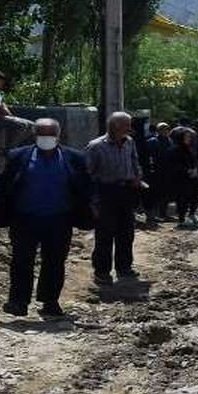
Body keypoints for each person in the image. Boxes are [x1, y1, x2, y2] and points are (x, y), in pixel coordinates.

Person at [0, 119, 93, 318]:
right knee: (21, 260)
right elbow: (2, 184)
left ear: (58, 135)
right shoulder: (19, 156)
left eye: (50, 134)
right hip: (24, 218)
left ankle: (50, 302)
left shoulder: (74, 158)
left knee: (54, 261)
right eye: (42, 134)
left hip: (59, 219)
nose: (47, 138)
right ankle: (18, 302)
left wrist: (93, 207)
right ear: (35, 136)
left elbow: (86, 186)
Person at [86, 112, 143, 285]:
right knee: (105, 234)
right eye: (126, 125)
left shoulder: (129, 143)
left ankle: (124, 267)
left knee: (126, 232)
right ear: (115, 126)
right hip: (106, 193)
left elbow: (135, 162)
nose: (129, 129)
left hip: (126, 192)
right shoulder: (95, 147)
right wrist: (92, 201)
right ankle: (102, 271)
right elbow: (87, 174)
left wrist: (137, 176)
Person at [167, 127, 198, 229]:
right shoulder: (174, 150)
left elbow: (194, 161)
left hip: (192, 178)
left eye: (190, 137)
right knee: (182, 199)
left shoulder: (189, 149)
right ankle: (181, 219)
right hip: (180, 179)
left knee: (196, 195)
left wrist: (196, 170)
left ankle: (192, 213)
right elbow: (173, 165)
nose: (189, 139)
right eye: (186, 137)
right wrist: (186, 170)